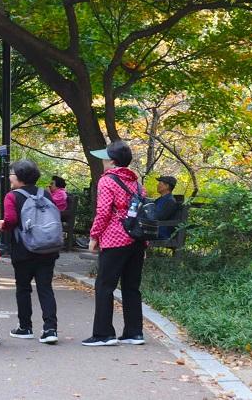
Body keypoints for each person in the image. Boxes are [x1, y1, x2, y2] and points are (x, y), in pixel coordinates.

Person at [82, 140, 147, 347]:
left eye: (104, 157)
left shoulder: (107, 181)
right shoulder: (137, 183)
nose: (102, 161)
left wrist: (94, 236)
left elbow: (103, 212)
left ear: (111, 161)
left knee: (104, 286)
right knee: (131, 287)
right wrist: (144, 242)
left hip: (115, 239)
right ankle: (134, 333)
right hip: (136, 240)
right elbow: (141, 214)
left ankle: (103, 334)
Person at [1, 159, 60, 343]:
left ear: (19, 177)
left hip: (24, 249)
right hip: (48, 248)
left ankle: (25, 327)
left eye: (12, 173)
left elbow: (10, 220)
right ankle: (50, 329)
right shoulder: (46, 194)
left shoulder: (13, 196)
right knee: (45, 288)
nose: (10, 177)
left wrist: (3, 225)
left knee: (23, 288)